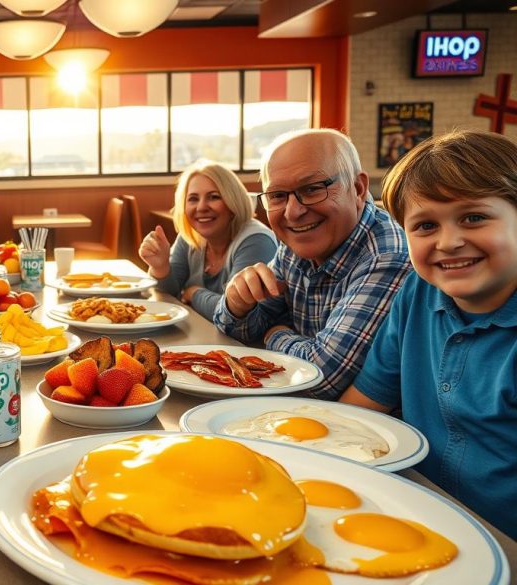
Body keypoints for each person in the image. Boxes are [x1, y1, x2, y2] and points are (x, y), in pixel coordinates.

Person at [341, 130, 517, 539]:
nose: (449, 242)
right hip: (414, 514)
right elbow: (364, 406)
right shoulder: (418, 292)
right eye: (424, 226)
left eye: (473, 217)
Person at [215, 129, 411, 400]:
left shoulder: (387, 256)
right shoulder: (297, 243)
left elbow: (318, 378)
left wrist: (275, 333)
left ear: (358, 188)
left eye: (312, 189)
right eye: (277, 196)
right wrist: (237, 304)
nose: (292, 212)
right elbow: (241, 329)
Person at [139, 160, 276, 318]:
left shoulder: (257, 242)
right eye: (193, 199)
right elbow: (168, 295)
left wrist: (194, 293)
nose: (201, 207)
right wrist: (160, 267)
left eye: (214, 197)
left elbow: (235, 314)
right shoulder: (191, 235)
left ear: (233, 201)